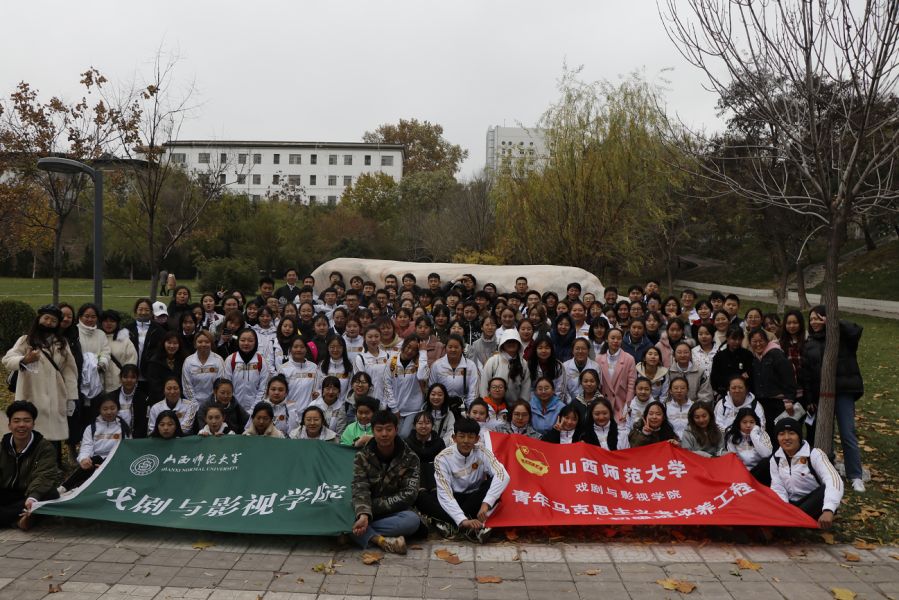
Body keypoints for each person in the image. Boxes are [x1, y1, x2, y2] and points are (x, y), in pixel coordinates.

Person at [802, 305, 866, 493]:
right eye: (811, 319)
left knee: (847, 433)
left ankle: (855, 475)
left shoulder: (841, 337)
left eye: (818, 318)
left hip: (843, 392)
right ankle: (825, 472)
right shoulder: (809, 343)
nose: (814, 322)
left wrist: (834, 323)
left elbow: (856, 331)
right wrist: (810, 398)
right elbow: (807, 374)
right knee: (824, 434)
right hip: (821, 396)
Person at [2, 305, 79, 448]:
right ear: (39, 319)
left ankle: (53, 460)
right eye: (46, 318)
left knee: (52, 441)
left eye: (53, 321)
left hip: (55, 397)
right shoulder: (26, 340)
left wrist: (71, 398)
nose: (49, 323)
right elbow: (7, 359)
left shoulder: (62, 344)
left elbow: (70, 372)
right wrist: (24, 359)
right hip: (30, 395)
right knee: (30, 436)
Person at [426, 417, 509, 542]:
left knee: (495, 484)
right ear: (454, 438)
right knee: (425, 497)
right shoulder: (442, 458)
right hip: (454, 498)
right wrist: (462, 520)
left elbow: (503, 475)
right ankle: (468, 524)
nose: (466, 441)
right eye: (461, 436)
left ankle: (451, 524)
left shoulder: (482, 451)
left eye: (470, 437)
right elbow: (445, 492)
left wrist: (486, 503)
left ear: (477, 439)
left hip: (475, 499)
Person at [350, 410, 422, 554]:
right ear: (373, 431)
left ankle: (357, 532)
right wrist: (364, 514)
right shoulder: (362, 456)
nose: (384, 434)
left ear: (396, 430)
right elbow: (360, 486)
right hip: (365, 509)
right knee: (347, 512)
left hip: (393, 512)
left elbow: (409, 494)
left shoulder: (410, 458)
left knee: (412, 521)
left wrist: (371, 509)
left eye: (389, 429)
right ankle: (381, 540)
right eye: (379, 430)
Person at [769, 418, 843, 528]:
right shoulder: (776, 459)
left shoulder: (814, 454)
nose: (786, 438)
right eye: (781, 434)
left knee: (825, 488)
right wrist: (783, 509)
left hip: (815, 503)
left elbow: (834, 479)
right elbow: (778, 487)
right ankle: (788, 522)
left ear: (799, 436)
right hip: (791, 505)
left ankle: (786, 524)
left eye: (791, 433)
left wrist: (829, 509)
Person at [0, 402, 60, 530]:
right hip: (5, 493)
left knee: (51, 494)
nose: (21, 425)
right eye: (16, 421)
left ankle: (13, 518)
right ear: (9, 425)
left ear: (33, 424)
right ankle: (18, 521)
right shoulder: (2, 446)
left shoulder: (45, 448)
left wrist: (33, 497)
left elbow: (45, 475)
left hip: (28, 494)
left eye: (27, 421)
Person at [61, 395, 130, 491]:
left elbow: (127, 450)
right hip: (95, 462)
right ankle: (64, 487)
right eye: (105, 409)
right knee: (94, 460)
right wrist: (84, 459)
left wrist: (106, 466)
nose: (109, 412)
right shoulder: (91, 428)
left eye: (112, 408)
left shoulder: (123, 428)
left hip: (115, 463)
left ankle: (77, 488)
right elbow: (86, 446)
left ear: (117, 408)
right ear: (99, 410)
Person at [748, 328, 796, 439]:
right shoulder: (755, 358)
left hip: (778, 402)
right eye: (754, 341)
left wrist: (789, 400)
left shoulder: (776, 354)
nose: (758, 344)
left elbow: (788, 377)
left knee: (779, 432)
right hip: (762, 401)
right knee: (766, 432)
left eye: (761, 341)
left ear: (767, 340)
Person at [383, 336, 430, 438]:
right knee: (395, 435)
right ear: (403, 345)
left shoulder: (419, 362)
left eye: (414, 349)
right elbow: (387, 384)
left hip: (414, 409)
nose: (410, 351)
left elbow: (422, 376)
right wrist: (394, 408)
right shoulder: (392, 360)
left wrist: (423, 352)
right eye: (408, 347)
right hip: (396, 408)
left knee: (404, 435)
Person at [479, 330, 531, 406]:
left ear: (519, 344)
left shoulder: (523, 363)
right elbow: (484, 385)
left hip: (515, 407)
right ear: (503, 344)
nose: (511, 344)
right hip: (493, 406)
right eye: (508, 341)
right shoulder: (493, 361)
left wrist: (522, 406)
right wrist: (486, 406)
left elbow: (526, 388)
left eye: (514, 341)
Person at [597, 328, 637, 425]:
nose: (616, 341)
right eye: (613, 338)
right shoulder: (598, 359)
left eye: (619, 338)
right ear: (606, 339)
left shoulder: (629, 359)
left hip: (621, 403)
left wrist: (628, 405)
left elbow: (631, 384)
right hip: (603, 403)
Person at [224, 329, 269, 414]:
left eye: (250, 341)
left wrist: (253, 409)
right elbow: (227, 386)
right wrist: (235, 407)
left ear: (255, 342)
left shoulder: (261, 361)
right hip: (233, 409)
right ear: (238, 341)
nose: (246, 343)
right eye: (242, 340)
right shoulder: (230, 360)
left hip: (255, 410)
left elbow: (263, 389)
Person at [428, 334, 479, 410]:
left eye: (456, 347)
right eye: (450, 347)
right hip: (441, 407)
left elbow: (473, 392)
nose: (453, 350)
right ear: (445, 348)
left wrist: (470, 410)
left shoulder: (470, 366)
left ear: (462, 349)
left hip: (462, 407)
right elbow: (432, 388)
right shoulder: (437, 365)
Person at [725, 406, 773, 485]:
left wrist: (753, 436)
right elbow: (733, 459)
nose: (748, 425)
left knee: (766, 463)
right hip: (741, 472)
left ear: (756, 423)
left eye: (751, 422)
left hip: (759, 471)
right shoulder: (732, 436)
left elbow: (767, 455)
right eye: (744, 422)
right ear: (739, 423)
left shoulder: (763, 434)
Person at [406, 411, 446, 498]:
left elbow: (443, 462)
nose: (423, 426)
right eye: (420, 423)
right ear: (414, 425)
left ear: (432, 425)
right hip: (415, 477)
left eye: (427, 423)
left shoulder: (439, 442)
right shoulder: (407, 442)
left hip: (434, 476)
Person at [100, 310, 138, 394]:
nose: (108, 324)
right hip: (98, 387)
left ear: (117, 323)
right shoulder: (97, 339)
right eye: (105, 321)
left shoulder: (125, 341)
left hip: (119, 386)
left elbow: (132, 363)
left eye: (112, 321)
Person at [181, 330, 225, 404]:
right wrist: (195, 404)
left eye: (207, 342)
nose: (203, 344)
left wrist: (213, 403)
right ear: (195, 344)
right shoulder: (188, 361)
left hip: (214, 403)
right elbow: (187, 386)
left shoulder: (218, 360)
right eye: (200, 342)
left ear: (211, 344)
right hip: (193, 404)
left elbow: (221, 383)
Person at [710, 327, 755, 398]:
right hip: (724, 394)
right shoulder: (719, 356)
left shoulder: (748, 355)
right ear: (727, 338)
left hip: (745, 394)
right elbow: (714, 378)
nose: (737, 342)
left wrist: (747, 375)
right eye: (734, 339)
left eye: (739, 339)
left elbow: (752, 374)